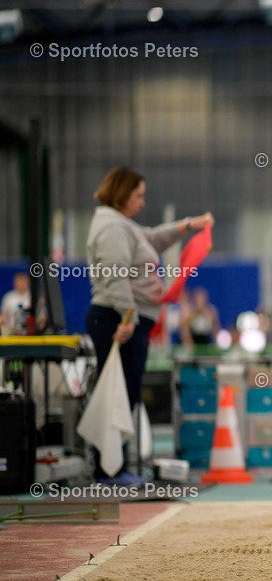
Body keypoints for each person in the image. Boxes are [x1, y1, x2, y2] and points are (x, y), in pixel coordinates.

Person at [86, 166, 213, 483]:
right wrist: (128, 317)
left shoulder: (122, 224)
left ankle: (113, 467)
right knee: (117, 394)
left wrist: (188, 225)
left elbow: (153, 238)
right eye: (138, 196)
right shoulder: (112, 228)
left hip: (124, 317)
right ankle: (108, 470)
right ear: (121, 194)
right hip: (118, 319)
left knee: (125, 393)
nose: (143, 202)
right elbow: (115, 275)